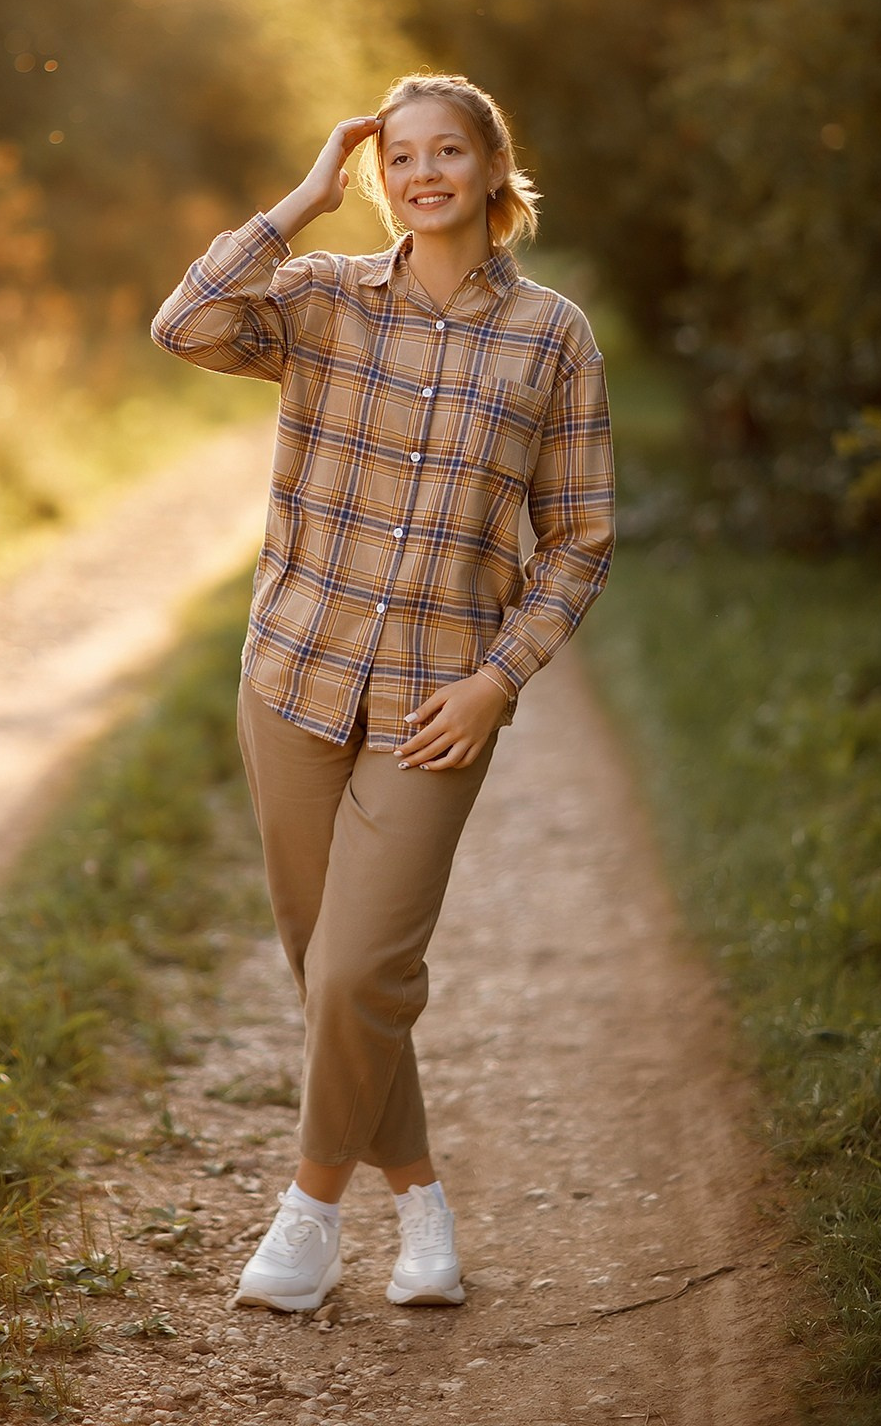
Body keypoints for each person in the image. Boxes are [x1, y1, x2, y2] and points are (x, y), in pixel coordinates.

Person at [151, 71, 615, 1312]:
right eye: (397, 155)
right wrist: (297, 204)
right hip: (294, 676)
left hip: (434, 704)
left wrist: (495, 680)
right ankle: (420, 1201)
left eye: (446, 151)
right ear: (376, 175)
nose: (422, 173)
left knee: (359, 972)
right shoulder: (316, 298)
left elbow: (576, 538)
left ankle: (307, 1217)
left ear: (488, 168)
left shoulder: (551, 337)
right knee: (326, 971)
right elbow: (182, 325)